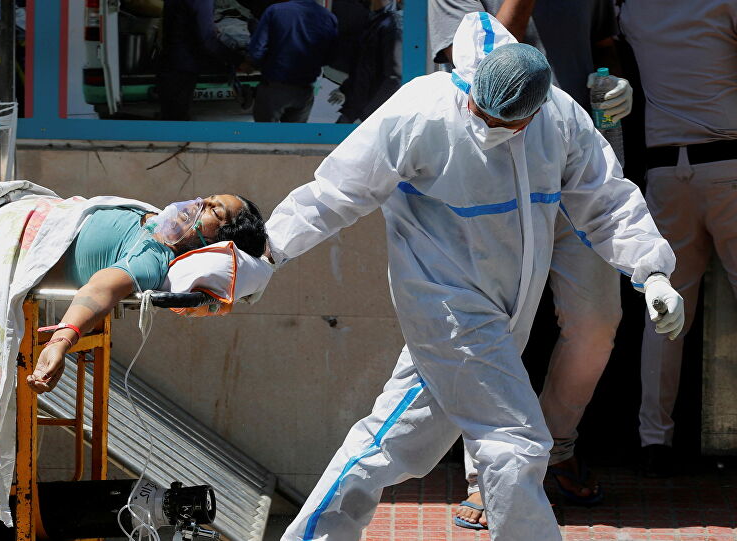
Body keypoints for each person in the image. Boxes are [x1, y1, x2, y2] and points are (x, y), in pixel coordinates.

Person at [264, 13, 683, 541]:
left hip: (505, 314)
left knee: (388, 443)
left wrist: (653, 272)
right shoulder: (421, 110)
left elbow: (606, 200)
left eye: (505, 122)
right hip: (444, 305)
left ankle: (311, 536)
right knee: (516, 439)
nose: (488, 126)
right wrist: (268, 251)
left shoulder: (560, 117)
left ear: (533, 116)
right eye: (480, 111)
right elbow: (335, 193)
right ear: (469, 81)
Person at [428, 0, 635, 527]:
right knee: (490, 326)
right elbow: (474, 65)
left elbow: (603, 51)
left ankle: (556, 445)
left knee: (596, 325)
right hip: (495, 176)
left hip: (578, 170)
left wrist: (616, 90)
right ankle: (492, 475)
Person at [617, 0, 737, 478]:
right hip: (734, 163)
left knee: (665, 310)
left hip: (667, 170)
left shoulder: (633, 10)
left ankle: (655, 439)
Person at [28, 195, 267, 393]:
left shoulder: (151, 259)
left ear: (215, 242)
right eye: (208, 199)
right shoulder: (157, 222)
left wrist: (59, 342)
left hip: (18, 236)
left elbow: (100, 289)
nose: (199, 204)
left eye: (214, 212)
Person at [241, 0, 338, 122]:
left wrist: (253, 64)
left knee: (265, 137)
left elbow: (256, 50)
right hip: (304, 91)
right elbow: (331, 57)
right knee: (294, 138)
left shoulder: (275, 11)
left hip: (274, 87)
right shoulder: (328, 17)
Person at [158, 0, 240, 120]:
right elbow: (208, 40)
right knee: (177, 121)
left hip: (171, 63)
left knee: (172, 118)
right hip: (183, 68)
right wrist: (238, 60)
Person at [330, 0, 402, 123]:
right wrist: (345, 89)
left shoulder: (390, 25)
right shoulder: (373, 21)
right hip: (356, 108)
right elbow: (362, 66)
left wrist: (369, 115)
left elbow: (394, 77)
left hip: (367, 112)